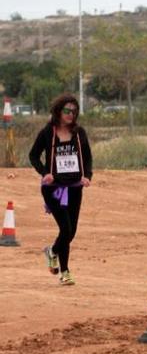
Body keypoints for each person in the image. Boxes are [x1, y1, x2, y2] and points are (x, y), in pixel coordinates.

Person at [28, 94, 93, 286]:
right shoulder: (48, 132)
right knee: (65, 228)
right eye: (67, 111)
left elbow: (88, 157)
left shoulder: (79, 133)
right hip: (53, 189)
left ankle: (52, 251)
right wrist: (44, 172)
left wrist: (87, 176)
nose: (71, 115)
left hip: (74, 187)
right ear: (58, 111)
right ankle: (64, 272)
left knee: (70, 233)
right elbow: (33, 155)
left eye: (74, 111)